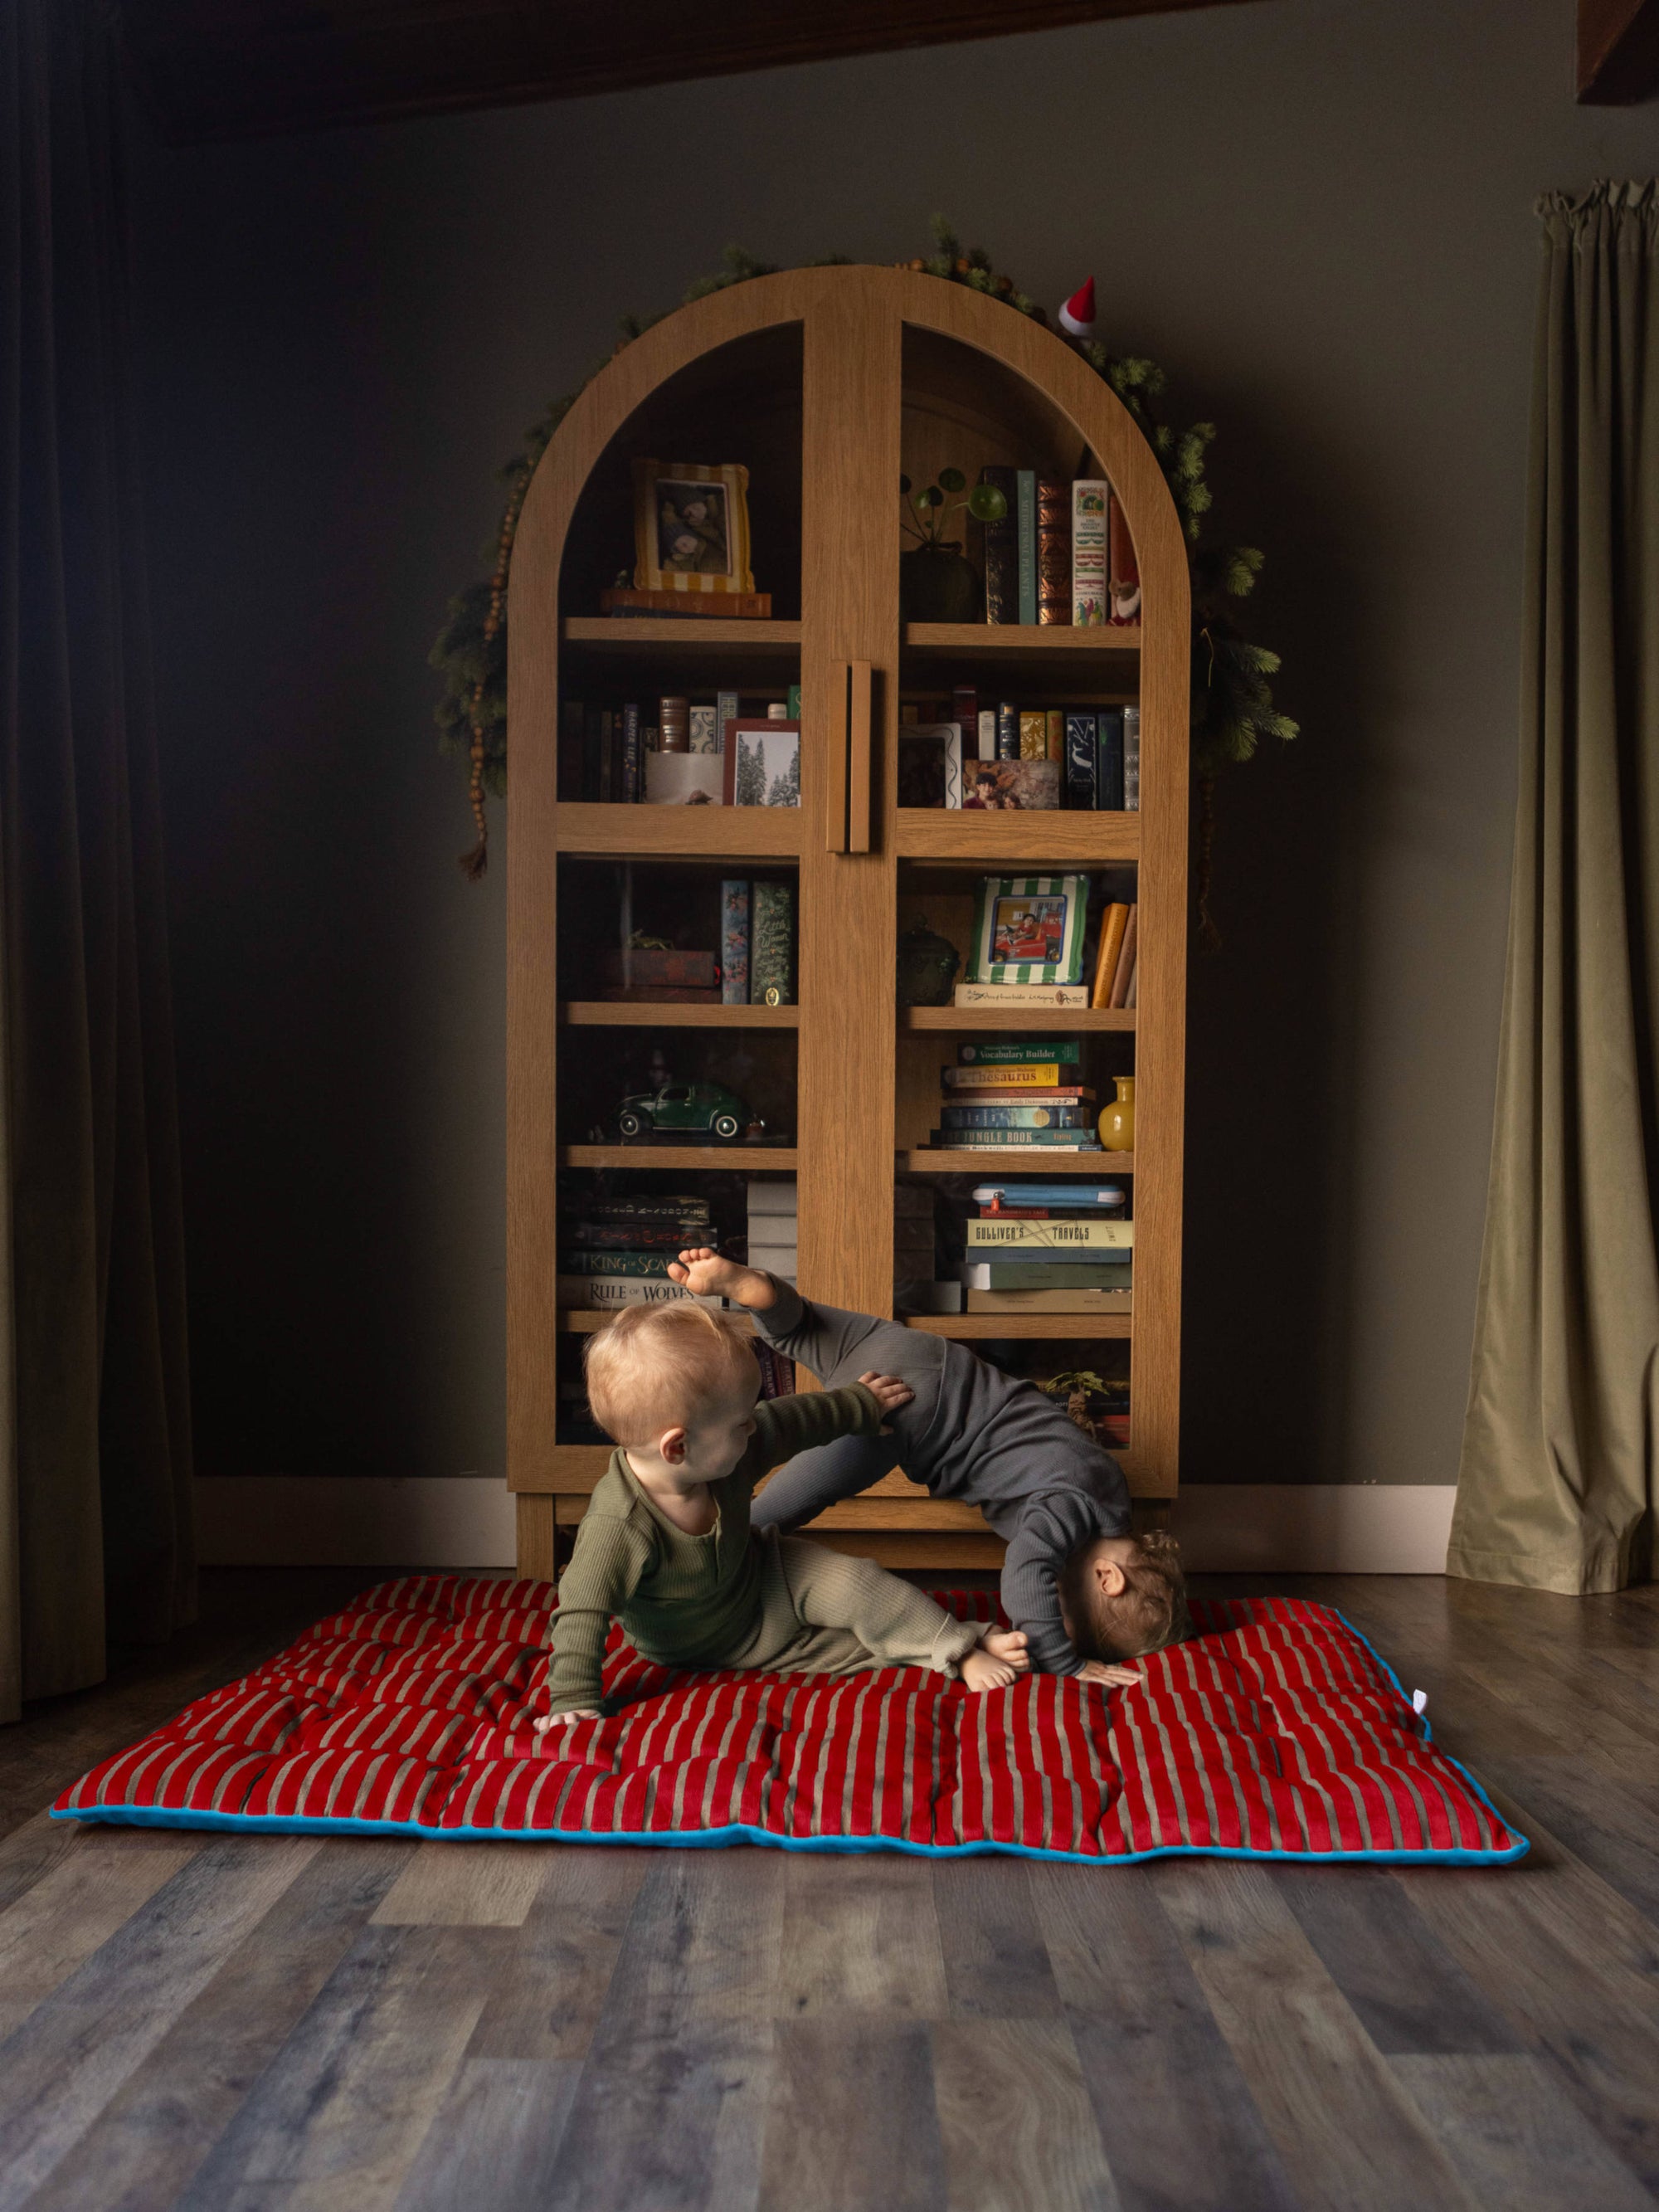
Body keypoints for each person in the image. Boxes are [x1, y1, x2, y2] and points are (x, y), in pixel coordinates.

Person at [665, 1253, 1189, 1682]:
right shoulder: (1069, 1512)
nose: (1046, 1617)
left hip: (927, 1357)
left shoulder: (1109, 1492)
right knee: (773, 1514)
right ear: (1107, 1577)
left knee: (807, 1332)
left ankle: (758, 1291)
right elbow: (1025, 1574)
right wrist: (1066, 1662)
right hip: (911, 1410)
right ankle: (692, 1566)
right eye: (1065, 1611)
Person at [536, 1300, 1030, 1724]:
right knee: (860, 1647)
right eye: (740, 1423)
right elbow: (583, 1610)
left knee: (855, 1584)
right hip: (704, 1645)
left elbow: (790, 1421)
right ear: (677, 1448)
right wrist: (573, 1698)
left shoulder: (723, 1450)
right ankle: (954, 1648)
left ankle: (956, 1644)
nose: (753, 1427)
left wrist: (859, 1404)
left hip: (761, 1572)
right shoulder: (618, 1525)